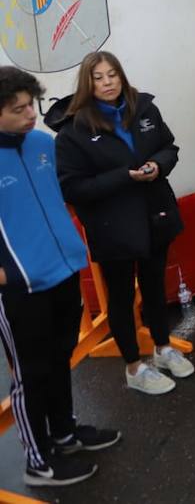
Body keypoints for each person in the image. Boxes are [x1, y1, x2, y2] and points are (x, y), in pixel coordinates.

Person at [0, 66, 121, 487]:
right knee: (30, 374)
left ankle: (65, 433)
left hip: (65, 269)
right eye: (17, 111)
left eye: (30, 106)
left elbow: (66, 192)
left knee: (58, 359)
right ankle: (38, 461)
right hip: (20, 286)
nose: (30, 115)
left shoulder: (41, 143)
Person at [47, 52, 194, 396]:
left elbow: (168, 147)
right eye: (98, 77)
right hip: (113, 226)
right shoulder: (72, 132)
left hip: (154, 214)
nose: (108, 82)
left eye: (113, 74)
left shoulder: (143, 108)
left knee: (156, 287)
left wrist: (158, 165)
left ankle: (161, 347)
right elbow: (71, 187)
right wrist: (122, 178)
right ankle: (133, 366)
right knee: (122, 296)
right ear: (87, 83)